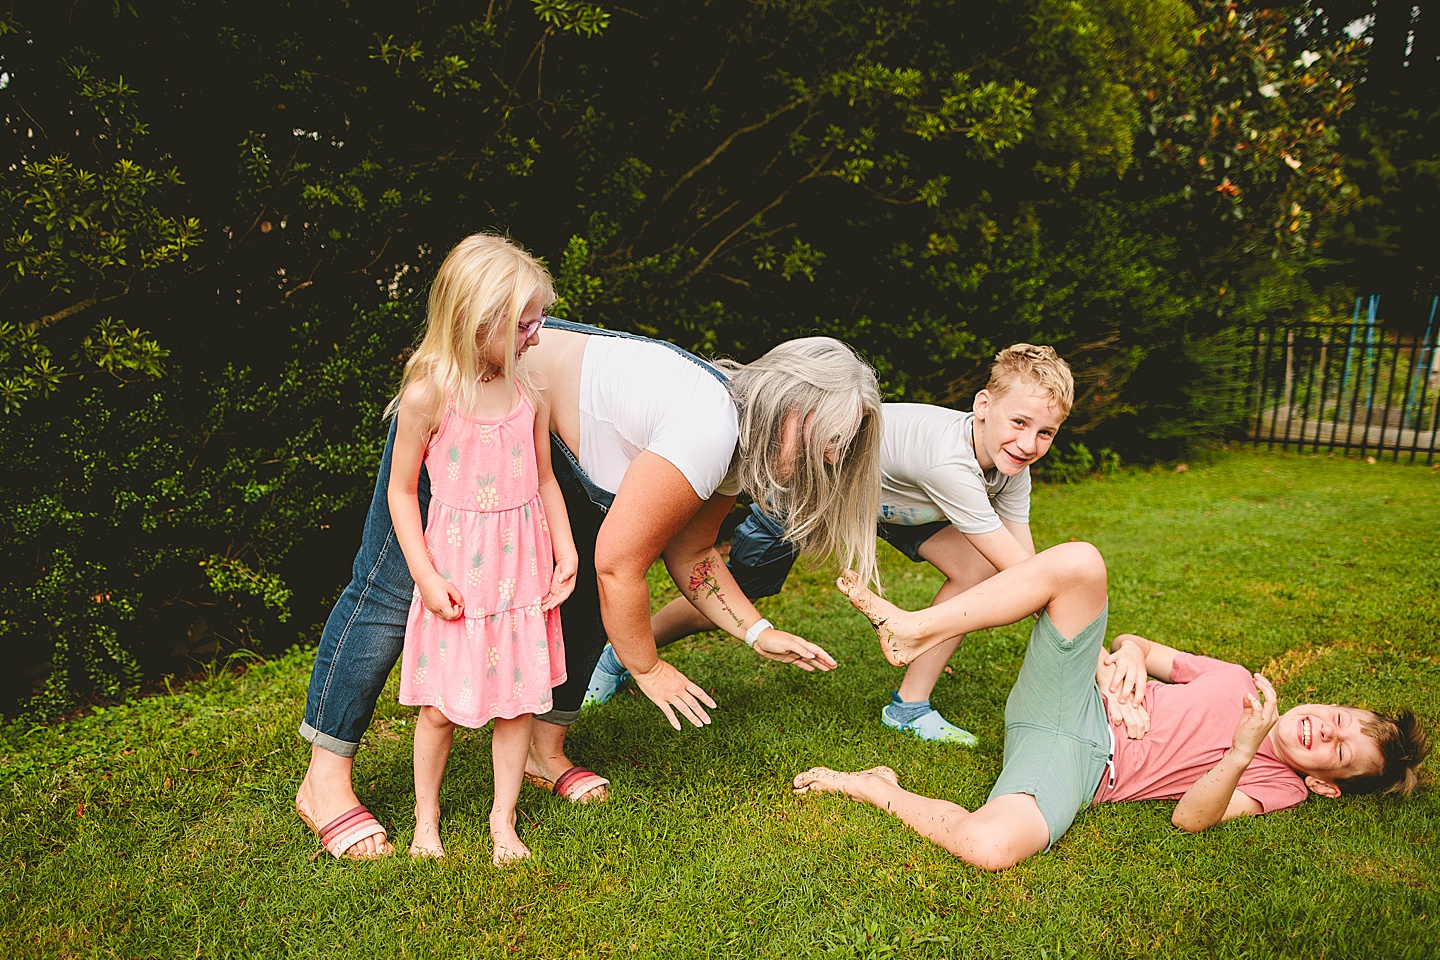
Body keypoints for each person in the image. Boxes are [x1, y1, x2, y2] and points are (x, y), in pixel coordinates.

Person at [295, 233, 884, 857]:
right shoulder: (709, 428)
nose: (831, 457)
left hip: (542, 446)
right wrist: (647, 667)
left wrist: (757, 633)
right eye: (827, 438)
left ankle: (544, 753)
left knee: (573, 601)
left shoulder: (739, 449)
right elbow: (620, 564)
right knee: (390, 589)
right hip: (471, 414)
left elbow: (693, 558)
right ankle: (324, 779)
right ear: (789, 407)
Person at [793, 542, 1429, 871]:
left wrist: (1242, 747)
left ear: (1324, 784)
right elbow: (1141, 647)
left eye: (1339, 751)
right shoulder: (1235, 677)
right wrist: (1127, 656)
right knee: (1080, 564)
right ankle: (918, 625)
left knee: (988, 846)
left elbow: (1191, 818)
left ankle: (877, 787)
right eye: (1339, 717)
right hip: (1071, 691)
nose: (1325, 729)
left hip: (1078, 760)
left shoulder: (1277, 784)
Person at [589, 344, 1071, 746]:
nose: (1028, 444)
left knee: (976, 572)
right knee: (737, 588)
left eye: (1045, 432)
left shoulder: (1013, 470)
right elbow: (1030, 578)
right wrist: (1083, 638)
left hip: (888, 504)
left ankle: (909, 708)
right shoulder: (949, 462)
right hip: (806, 483)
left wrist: (1066, 614)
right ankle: (619, 653)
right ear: (983, 406)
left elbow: (1027, 568)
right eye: (1019, 423)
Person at [385, 235, 577, 864]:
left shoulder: (531, 393)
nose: (537, 335)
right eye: (525, 324)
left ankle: (503, 822)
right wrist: (424, 575)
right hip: (459, 580)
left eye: (539, 320)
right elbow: (402, 493)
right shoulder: (429, 396)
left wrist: (566, 549)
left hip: (520, 577)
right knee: (440, 710)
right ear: (478, 321)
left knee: (516, 705)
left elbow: (546, 479)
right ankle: (426, 820)